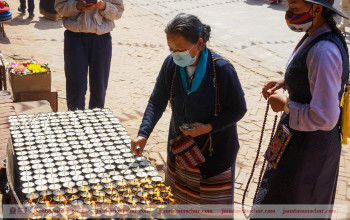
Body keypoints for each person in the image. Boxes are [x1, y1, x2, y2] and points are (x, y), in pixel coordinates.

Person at [131, 13, 247, 205]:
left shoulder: (222, 70)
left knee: (211, 210)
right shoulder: (171, 65)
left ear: (199, 44)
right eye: (171, 49)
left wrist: (208, 127)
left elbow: (238, 110)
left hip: (213, 157)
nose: (175, 54)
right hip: (180, 151)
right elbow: (157, 100)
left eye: (180, 49)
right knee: (179, 205)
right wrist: (144, 133)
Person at [254, 0, 349, 218]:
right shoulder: (315, 34)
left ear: (317, 9)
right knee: (272, 190)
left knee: (290, 204)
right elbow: (314, 79)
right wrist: (286, 81)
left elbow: (325, 117)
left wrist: (286, 105)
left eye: (294, 8)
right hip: (293, 138)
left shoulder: (324, 50)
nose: (288, 14)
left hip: (309, 150)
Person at [55, 0, 124, 110]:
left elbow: (118, 12)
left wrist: (103, 6)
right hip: (75, 37)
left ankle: (95, 121)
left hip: (102, 38)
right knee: (76, 86)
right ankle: (75, 121)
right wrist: (77, 6)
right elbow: (59, 7)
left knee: (99, 87)